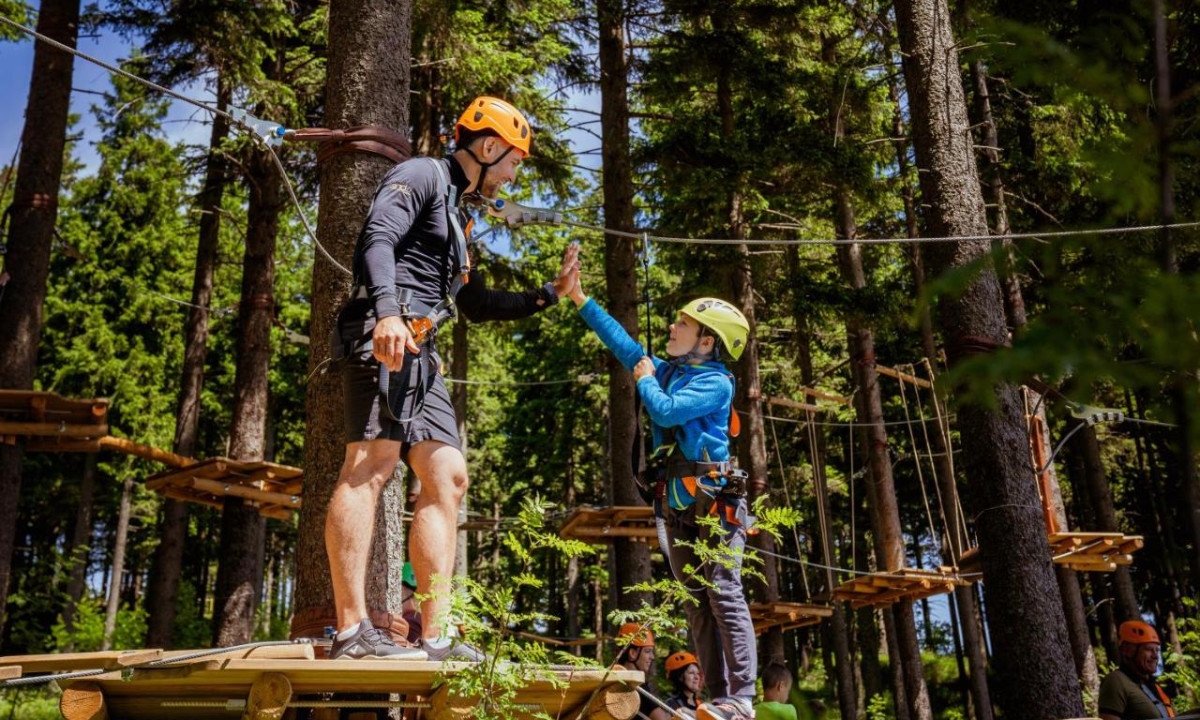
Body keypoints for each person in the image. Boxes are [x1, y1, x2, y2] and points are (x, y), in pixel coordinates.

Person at [327, 96, 581, 661]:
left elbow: (473, 302)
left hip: (422, 349)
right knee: (370, 467)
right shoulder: (421, 174)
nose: (513, 175)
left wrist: (548, 295)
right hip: (387, 331)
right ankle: (351, 630)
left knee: (448, 476)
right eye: (513, 162)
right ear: (488, 147)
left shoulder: (457, 215)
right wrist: (387, 313)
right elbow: (377, 238)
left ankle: (436, 636)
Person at [566, 271, 756, 720]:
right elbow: (627, 349)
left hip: (716, 504)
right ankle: (719, 699)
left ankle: (743, 697)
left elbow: (666, 410)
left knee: (723, 592)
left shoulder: (716, 382)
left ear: (706, 341)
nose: (673, 326)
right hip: (679, 507)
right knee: (696, 602)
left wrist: (647, 380)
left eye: (683, 324)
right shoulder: (671, 371)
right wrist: (580, 298)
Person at [1099, 620, 1176, 720]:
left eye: (1157, 650)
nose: (1155, 656)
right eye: (1148, 649)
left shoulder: (1154, 686)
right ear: (1127, 650)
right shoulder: (1116, 681)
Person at [615, 624, 671, 720]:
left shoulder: (614, 680)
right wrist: (677, 712)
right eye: (647, 651)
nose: (652, 657)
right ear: (632, 653)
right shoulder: (636, 686)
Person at [664, 651, 705, 716]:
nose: (697, 677)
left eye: (697, 673)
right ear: (680, 677)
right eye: (691, 673)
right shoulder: (671, 704)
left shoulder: (701, 704)